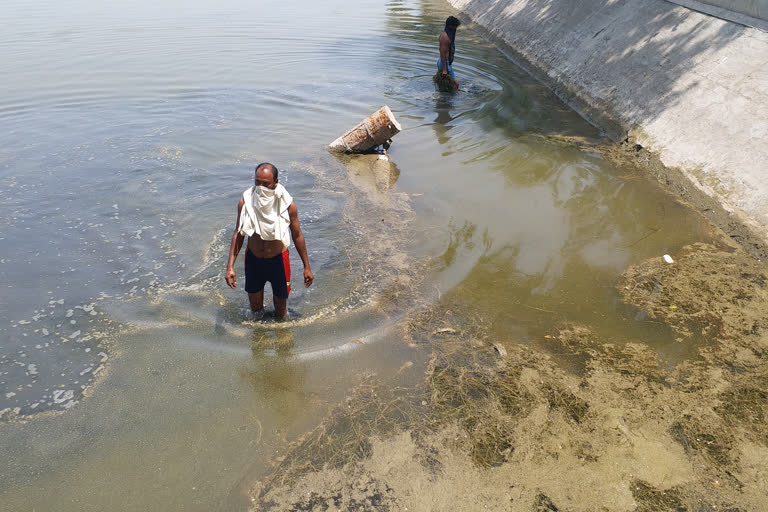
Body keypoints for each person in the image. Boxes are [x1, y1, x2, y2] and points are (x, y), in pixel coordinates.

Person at [225, 163, 313, 320]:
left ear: (276, 182)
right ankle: (258, 341)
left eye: (266, 184)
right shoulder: (246, 202)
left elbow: (297, 234)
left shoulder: (287, 205)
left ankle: (283, 342)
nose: (261, 187)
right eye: (257, 182)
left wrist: (307, 267)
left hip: (278, 261)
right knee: (255, 313)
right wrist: (230, 266)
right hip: (254, 260)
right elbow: (239, 234)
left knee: (281, 314)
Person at [438, 16, 461, 91]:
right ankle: (451, 100)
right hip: (445, 63)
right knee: (456, 84)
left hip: (444, 62)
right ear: (451, 26)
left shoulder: (447, 35)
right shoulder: (445, 37)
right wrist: (444, 69)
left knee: (445, 85)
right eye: (455, 27)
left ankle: (443, 97)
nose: (455, 29)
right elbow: (442, 53)